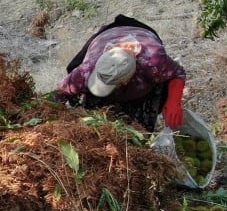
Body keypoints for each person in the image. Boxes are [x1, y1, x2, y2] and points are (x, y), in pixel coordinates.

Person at [53, 14, 187, 131]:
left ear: (126, 81)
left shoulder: (154, 62)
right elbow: (60, 92)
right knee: (97, 121)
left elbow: (177, 73)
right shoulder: (87, 70)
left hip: (143, 36)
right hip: (108, 35)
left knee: (140, 124)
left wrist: (173, 101)